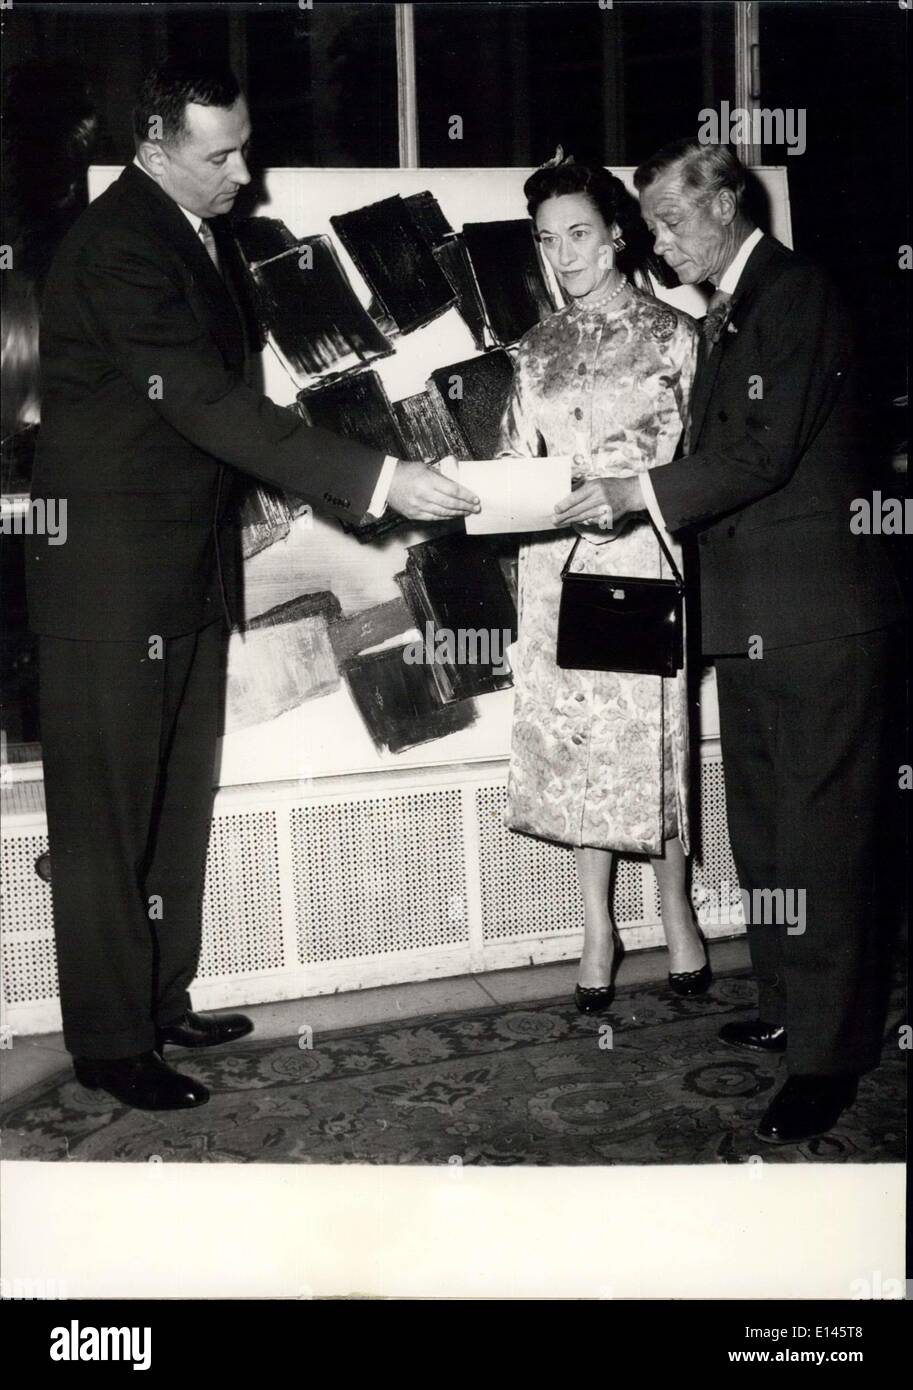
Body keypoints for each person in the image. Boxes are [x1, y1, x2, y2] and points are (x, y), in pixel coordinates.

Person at [25, 59, 479, 1113]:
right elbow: (205, 404)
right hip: (108, 583)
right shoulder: (119, 246)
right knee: (106, 818)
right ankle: (107, 1041)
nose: (243, 171)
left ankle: (159, 998)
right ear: (151, 142)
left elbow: (225, 406)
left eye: (244, 144)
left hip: (179, 570)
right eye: (218, 153)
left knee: (176, 801)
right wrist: (374, 473)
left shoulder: (194, 232)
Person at [561, 138, 907, 1143]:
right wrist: (628, 483)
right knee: (765, 823)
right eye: (651, 221)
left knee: (823, 837)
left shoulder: (795, 296)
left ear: (727, 204)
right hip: (754, 617)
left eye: (669, 218)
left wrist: (638, 493)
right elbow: (715, 454)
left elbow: (760, 453)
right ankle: (791, 1007)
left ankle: (829, 1058)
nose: (654, 238)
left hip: (817, 617)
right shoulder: (722, 311)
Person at [498, 152, 707, 1014]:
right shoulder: (533, 350)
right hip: (554, 573)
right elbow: (515, 462)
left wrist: (633, 504)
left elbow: (704, 468)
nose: (566, 255)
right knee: (577, 753)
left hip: (639, 566)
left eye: (579, 233)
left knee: (649, 746)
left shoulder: (674, 337)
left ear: (617, 233)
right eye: (549, 240)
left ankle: (676, 913)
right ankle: (596, 928)